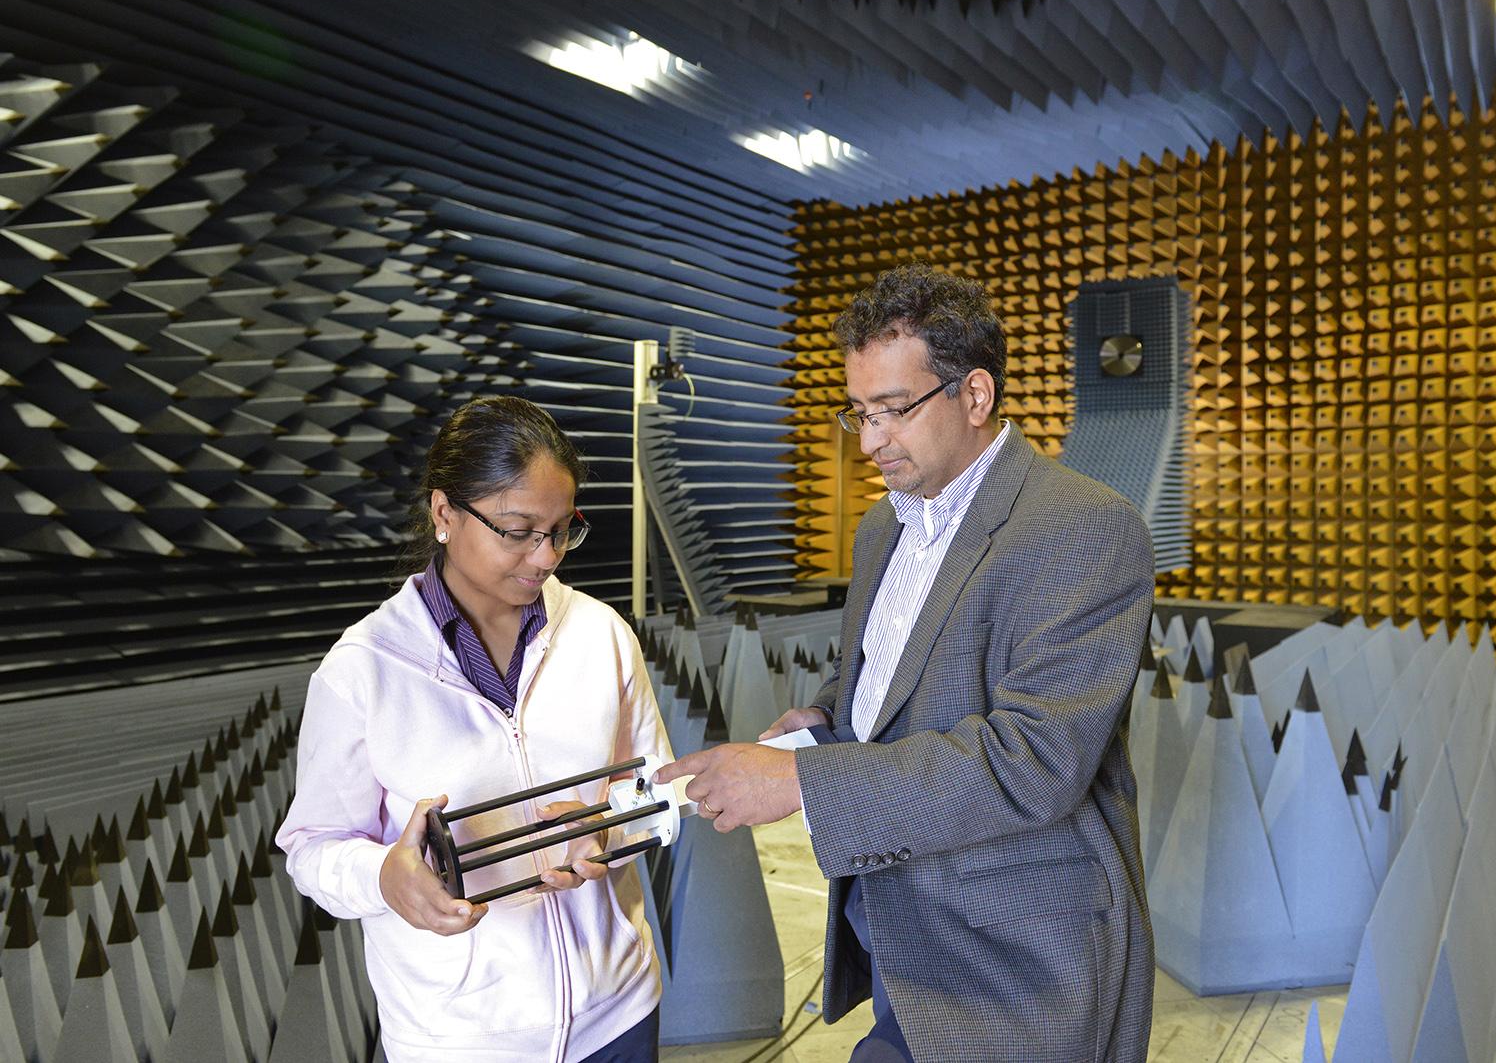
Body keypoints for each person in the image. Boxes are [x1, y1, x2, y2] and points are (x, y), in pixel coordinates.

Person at [656, 262, 1156, 1062]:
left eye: (893, 410)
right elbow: (901, 672)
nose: (872, 439)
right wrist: (826, 717)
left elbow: (1033, 761)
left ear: (976, 394)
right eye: (859, 412)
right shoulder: (883, 527)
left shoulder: (1085, 527)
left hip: (1013, 959)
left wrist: (796, 781)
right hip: (896, 916)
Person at [277, 395, 671, 1063]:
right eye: (518, 529)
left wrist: (606, 827)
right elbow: (311, 847)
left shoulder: (602, 634)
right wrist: (383, 877)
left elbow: (657, 795)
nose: (545, 557)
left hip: (619, 1015)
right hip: (459, 1039)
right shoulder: (362, 670)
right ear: (443, 513)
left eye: (560, 529)